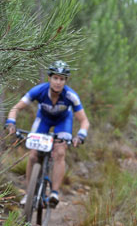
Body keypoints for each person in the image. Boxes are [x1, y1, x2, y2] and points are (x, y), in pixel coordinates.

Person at [5, 60, 90, 207]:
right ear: (49, 78)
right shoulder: (39, 90)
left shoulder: (71, 96)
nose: (58, 82)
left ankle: (54, 193)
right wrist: (11, 122)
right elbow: (16, 108)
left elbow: (84, 121)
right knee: (33, 155)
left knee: (60, 152)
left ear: (65, 81)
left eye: (62, 79)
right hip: (43, 120)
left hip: (63, 122)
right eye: (55, 78)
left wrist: (80, 136)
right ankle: (28, 192)